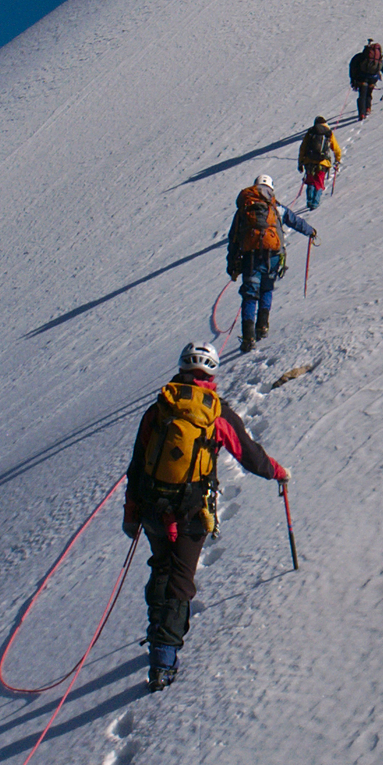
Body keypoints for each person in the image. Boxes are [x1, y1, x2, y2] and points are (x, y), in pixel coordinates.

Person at [123, 341, 289, 690]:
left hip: (153, 507)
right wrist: (278, 472)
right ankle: (164, 659)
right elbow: (248, 455)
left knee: (162, 567)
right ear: (211, 373)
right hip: (191, 511)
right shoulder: (216, 412)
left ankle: (160, 634)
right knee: (180, 581)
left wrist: (131, 512)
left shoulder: (159, 408)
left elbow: (138, 464)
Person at [226, 174, 316, 353]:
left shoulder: (244, 209)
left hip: (251, 257)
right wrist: (310, 231)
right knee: (267, 288)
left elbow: (234, 238)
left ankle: (248, 337)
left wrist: (232, 263)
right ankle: (263, 326)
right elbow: (294, 220)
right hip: (274, 255)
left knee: (250, 295)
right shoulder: (275, 206)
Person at [296, 115, 343, 211]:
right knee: (318, 182)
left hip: (309, 161)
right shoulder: (328, 133)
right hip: (323, 162)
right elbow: (337, 149)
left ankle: (309, 201)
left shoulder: (310, 132)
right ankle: (315, 203)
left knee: (310, 181)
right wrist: (337, 160)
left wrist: (301, 162)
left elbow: (303, 148)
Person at [348, 38, 383, 119]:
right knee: (369, 94)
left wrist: (353, 79)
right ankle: (368, 108)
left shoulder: (360, 57)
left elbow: (353, 66)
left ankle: (361, 113)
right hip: (373, 79)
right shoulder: (378, 59)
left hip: (361, 78)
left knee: (362, 95)